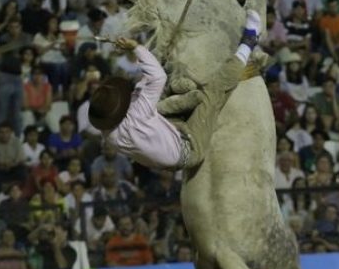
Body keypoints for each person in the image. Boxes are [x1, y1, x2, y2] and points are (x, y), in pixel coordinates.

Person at [88, 10, 261, 171]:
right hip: (189, 149)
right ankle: (249, 42)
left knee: (167, 92)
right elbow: (158, 77)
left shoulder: (108, 134)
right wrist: (136, 47)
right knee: (212, 91)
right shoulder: (137, 113)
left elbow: (139, 96)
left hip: (166, 155)